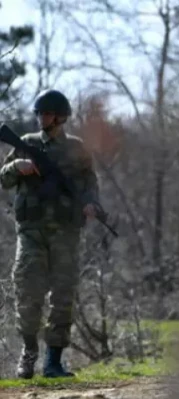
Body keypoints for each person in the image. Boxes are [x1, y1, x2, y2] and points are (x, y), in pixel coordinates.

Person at [0, 89, 101, 379]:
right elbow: (3, 179)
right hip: (31, 232)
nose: (41, 118)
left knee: (63, 296)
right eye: (39, 113)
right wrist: (15, 166)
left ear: (60, 117)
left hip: (66, 233)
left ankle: (53, 362)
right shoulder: (26, 144)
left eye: (46, 113)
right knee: (28, 293)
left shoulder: (77, 149)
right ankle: (29, 354)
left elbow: (90, 182)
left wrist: (92, 204)